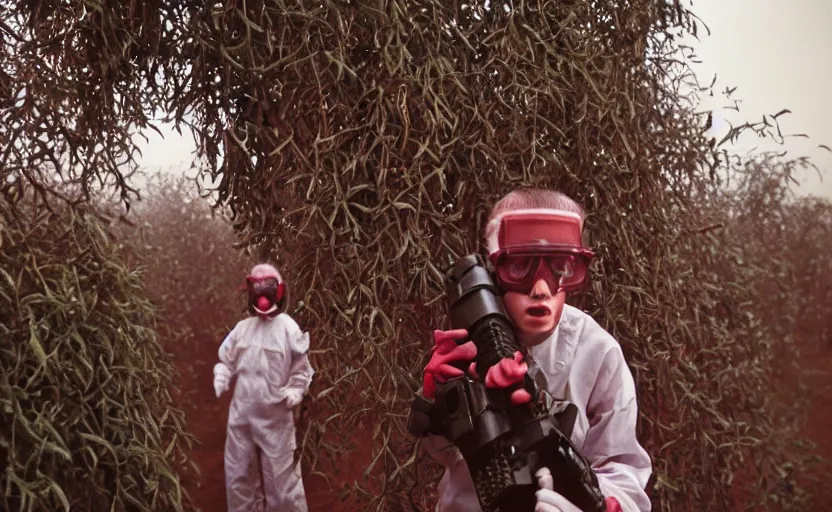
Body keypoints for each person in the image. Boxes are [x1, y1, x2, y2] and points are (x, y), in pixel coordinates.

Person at [420, 189, 652, 512]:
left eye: (560, 267)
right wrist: (440, 408)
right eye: (520, 266)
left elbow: (625, 473)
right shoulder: (465, 343)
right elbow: (450, 457)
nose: (541, 288)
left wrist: (597, 505)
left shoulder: (600, 354)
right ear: (493, 270)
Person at [212, 263, 314, 512]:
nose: (261, 294)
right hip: (242, 419)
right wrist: (222, 374)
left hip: (276, 418)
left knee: (283, 486)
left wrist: (295, 390)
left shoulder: (288, 329)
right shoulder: (243, 329)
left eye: (266, 287)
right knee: (238, 480)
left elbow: (301, 370)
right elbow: (227, 359)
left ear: (278, 291)